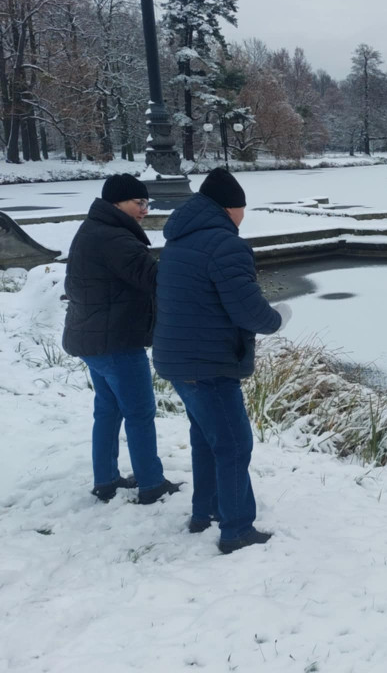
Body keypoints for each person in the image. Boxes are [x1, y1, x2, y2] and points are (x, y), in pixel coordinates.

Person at [153, 168, 290, 554]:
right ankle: (237, 530)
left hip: (178, 359)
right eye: (243, 208)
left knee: (206, 439)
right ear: (231, 208)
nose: (244, 216)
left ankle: (206, 511)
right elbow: (248, 310)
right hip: (209, 362)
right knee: (233, 444)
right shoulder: (225, 245)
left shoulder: (178, 240)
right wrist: (277, 319)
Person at [62, 173, 181, 504]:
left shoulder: (94, 229)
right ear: (117, 203)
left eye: (147, 203)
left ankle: (106, 480)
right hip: (116, 341)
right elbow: (156, 278)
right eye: (138, 202)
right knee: (140, 412)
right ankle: (151, 484)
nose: (145, 209)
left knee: (108, 409)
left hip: (93, 338)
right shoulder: (115, 238)